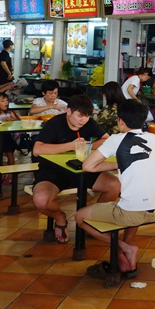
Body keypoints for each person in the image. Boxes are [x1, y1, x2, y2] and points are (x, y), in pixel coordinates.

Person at [75, 99, 155, 279]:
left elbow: (88, 166)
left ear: (121, 121)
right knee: (133, 204)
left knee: (80, 217)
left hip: (132, 212)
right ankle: (124, 252)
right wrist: (122, 163)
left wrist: (117, 163)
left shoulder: (117, 139)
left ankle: (124, 248)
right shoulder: (154, 138)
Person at [32, 95, 119, 244]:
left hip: (84, 170)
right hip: (54, 172)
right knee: (41, 200)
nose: (83, 120)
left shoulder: (89, 123)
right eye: (80, 115)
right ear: (68, 111)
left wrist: (88, 146)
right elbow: (37, 149)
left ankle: (92, 220)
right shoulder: (54, 124)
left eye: (87, 116)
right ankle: (60, 218)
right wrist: (71, 146)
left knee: (115, 185)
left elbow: (106, 139)